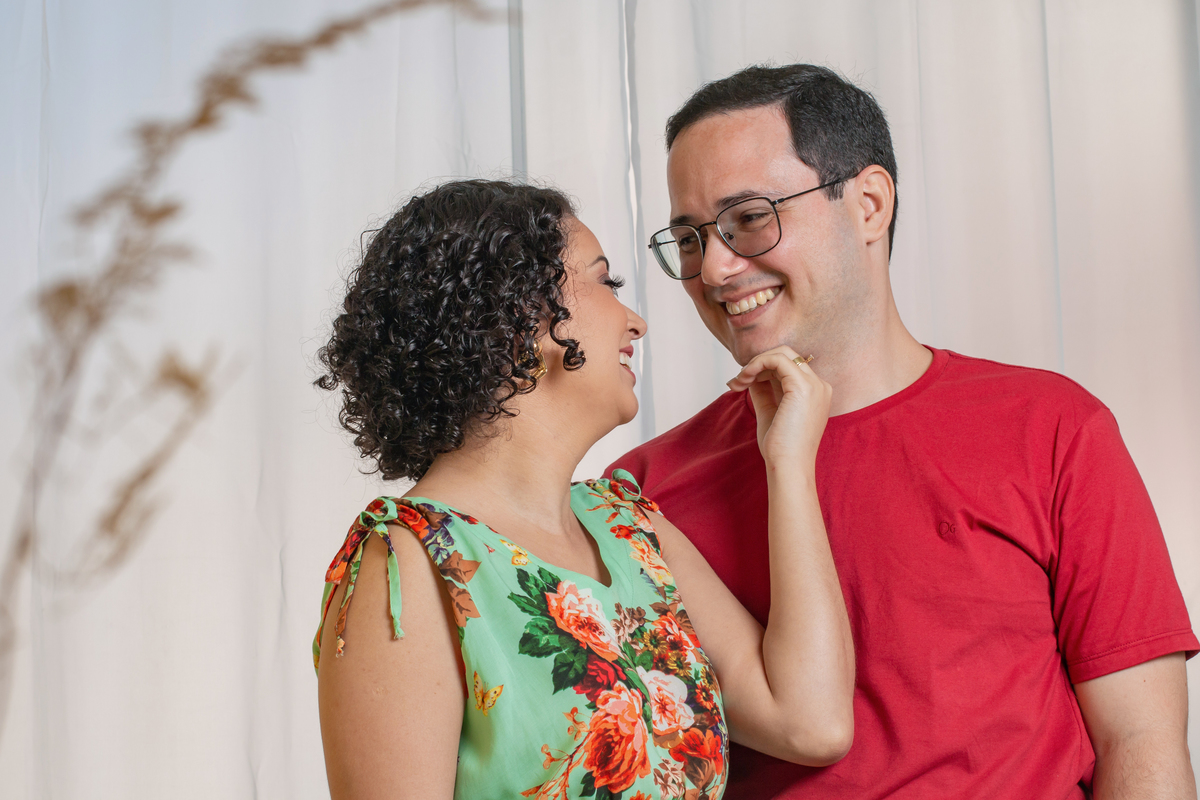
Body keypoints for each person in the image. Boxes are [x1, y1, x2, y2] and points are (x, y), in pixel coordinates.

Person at [609, 64, 1199, 799]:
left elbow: (1140, 742)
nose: (716, 269)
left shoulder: (1052, 428)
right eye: (690, 238)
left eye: (751, 218)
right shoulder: (641, 495)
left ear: (869, 204)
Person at [312, 179, 855, 800]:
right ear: (519, 313)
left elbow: (812, 723)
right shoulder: (404, 566)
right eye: (605, 282)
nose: (636, 322)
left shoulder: (629, 526)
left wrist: (787, 463)